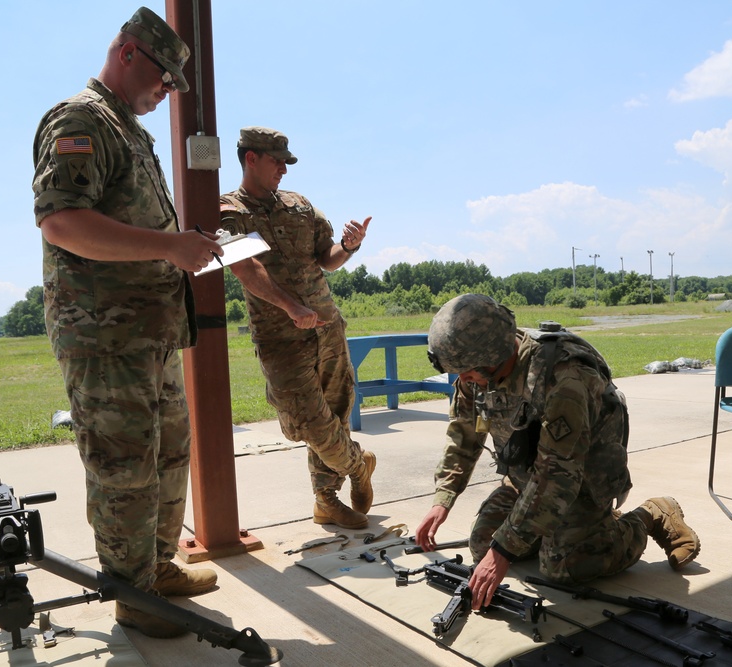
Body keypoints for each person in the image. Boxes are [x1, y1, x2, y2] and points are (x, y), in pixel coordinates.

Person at [32, 6, 223, 639]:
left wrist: (179, 244)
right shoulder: (81, 120)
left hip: (151, 335)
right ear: (129, 54)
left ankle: (157, 571)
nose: (166, 93)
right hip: (105, 337)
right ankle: (132, 594)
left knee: (169, 457)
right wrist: (171, 247)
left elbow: (135, 227)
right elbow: (62, 222)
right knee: (125, 467)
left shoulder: (128, 130)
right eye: (165, 79)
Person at [415, 293, 701, 612]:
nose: (462, 380)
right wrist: (443, 498)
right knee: (483, 544)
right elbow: (465, 433)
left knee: (563, 566)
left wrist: (505, 550)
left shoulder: (563, 376)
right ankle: (582, 527)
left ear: (492, 354)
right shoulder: (477, 371)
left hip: (580, 482)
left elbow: (558, 476)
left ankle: (649, 516)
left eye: (466, 372)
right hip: (527, 479)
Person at [219, 127, 376, 529]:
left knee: (336, 414)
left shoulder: (300, 205)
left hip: (326, 326)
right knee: (307, 422)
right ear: (251, 158)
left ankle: (326, 500)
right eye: (277, 162)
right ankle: (359, 466)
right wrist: (290, 306)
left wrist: (350, 245)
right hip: (280, 338)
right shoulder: (228, 211)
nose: (284, 171)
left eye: (288, 163)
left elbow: (328, 258)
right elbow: (244, 267)